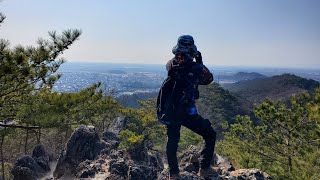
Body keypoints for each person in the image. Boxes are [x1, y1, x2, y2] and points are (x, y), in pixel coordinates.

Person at [165, 35, 217, 179]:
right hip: (188, 112)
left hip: (172, 110)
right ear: (192, 51)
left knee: (172, 141)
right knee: (210, 134)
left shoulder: (170, 64)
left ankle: (174, 174)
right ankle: (205, 168)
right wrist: (199, 60)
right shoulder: (196, 68)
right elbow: (208, 79)